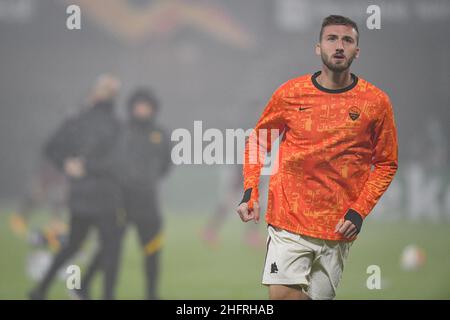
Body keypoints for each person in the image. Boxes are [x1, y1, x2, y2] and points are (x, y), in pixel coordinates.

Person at [236, 15, 398, 300]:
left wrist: (359, 211)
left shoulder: (376, 102)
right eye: (331, 39)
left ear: (356, 51)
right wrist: (250, 191)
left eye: (347, 40)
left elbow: (386, 163)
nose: (339, 46)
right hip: (289, 222)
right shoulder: (291, 94)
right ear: (318, 47)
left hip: (337, 229)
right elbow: (258, 141)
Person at [29, 74, 123, 300]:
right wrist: (82, 166)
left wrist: (68, 164)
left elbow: (51, 147)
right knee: (110, 247)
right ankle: (98, 293)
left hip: (82, 194)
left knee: (73, 245)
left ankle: (41, 290)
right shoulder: (115, 124)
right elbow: (118, 159)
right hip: (105, 194)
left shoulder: (78, 119)